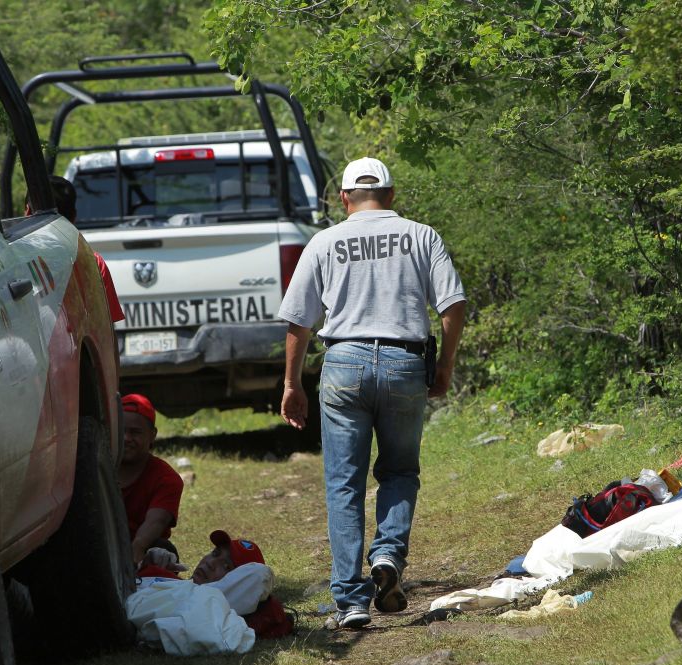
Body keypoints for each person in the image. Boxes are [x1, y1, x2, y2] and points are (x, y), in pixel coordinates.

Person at [277, 157, 467, 629]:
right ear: (391, 194)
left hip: (343, 365)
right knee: (399, 469)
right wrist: (443, 364)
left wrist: (291, 383)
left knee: (345, 483)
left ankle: (351, 601)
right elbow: (453, 305)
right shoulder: (422, 236)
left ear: (344, 198)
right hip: (406, 363)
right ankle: (386, 557)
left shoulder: (324, 242)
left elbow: (300, 321)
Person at [137, 530, 293, 638]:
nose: (211, 563)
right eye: (215, 554)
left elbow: (259, 576)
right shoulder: (171, 576)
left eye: (226, 567)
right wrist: (145, 562)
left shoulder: (205, 611)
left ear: (239, 583)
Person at [26, 175, 124, 323]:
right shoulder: (93, 263)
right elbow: (106, 332)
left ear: (28, 212)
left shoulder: (15, 264)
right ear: (74, 216)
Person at [118, 393, 184, 563]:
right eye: (121, 431)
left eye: (135, 432)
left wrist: (136, 550)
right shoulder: (96, 467)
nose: (126, 438)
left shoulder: (167, 479)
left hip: (141, 552)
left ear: (152, 435)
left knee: (163, 549)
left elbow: (156, 521)